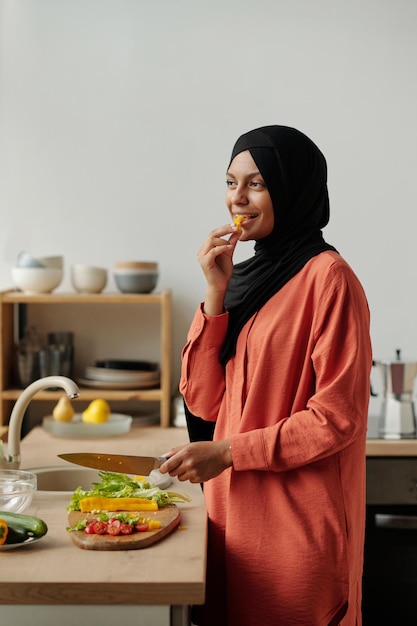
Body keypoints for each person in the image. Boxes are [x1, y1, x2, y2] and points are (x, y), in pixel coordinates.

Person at [159, 125, 372, 626]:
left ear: (292, 187)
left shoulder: (329, 279)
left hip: (295, 530)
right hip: (230, 518)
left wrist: (228, 452)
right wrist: (215, 294)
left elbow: (337, 417)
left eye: (256, 183)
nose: (238, 197)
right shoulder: (243, 279)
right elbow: (205, 403)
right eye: (231, 182)